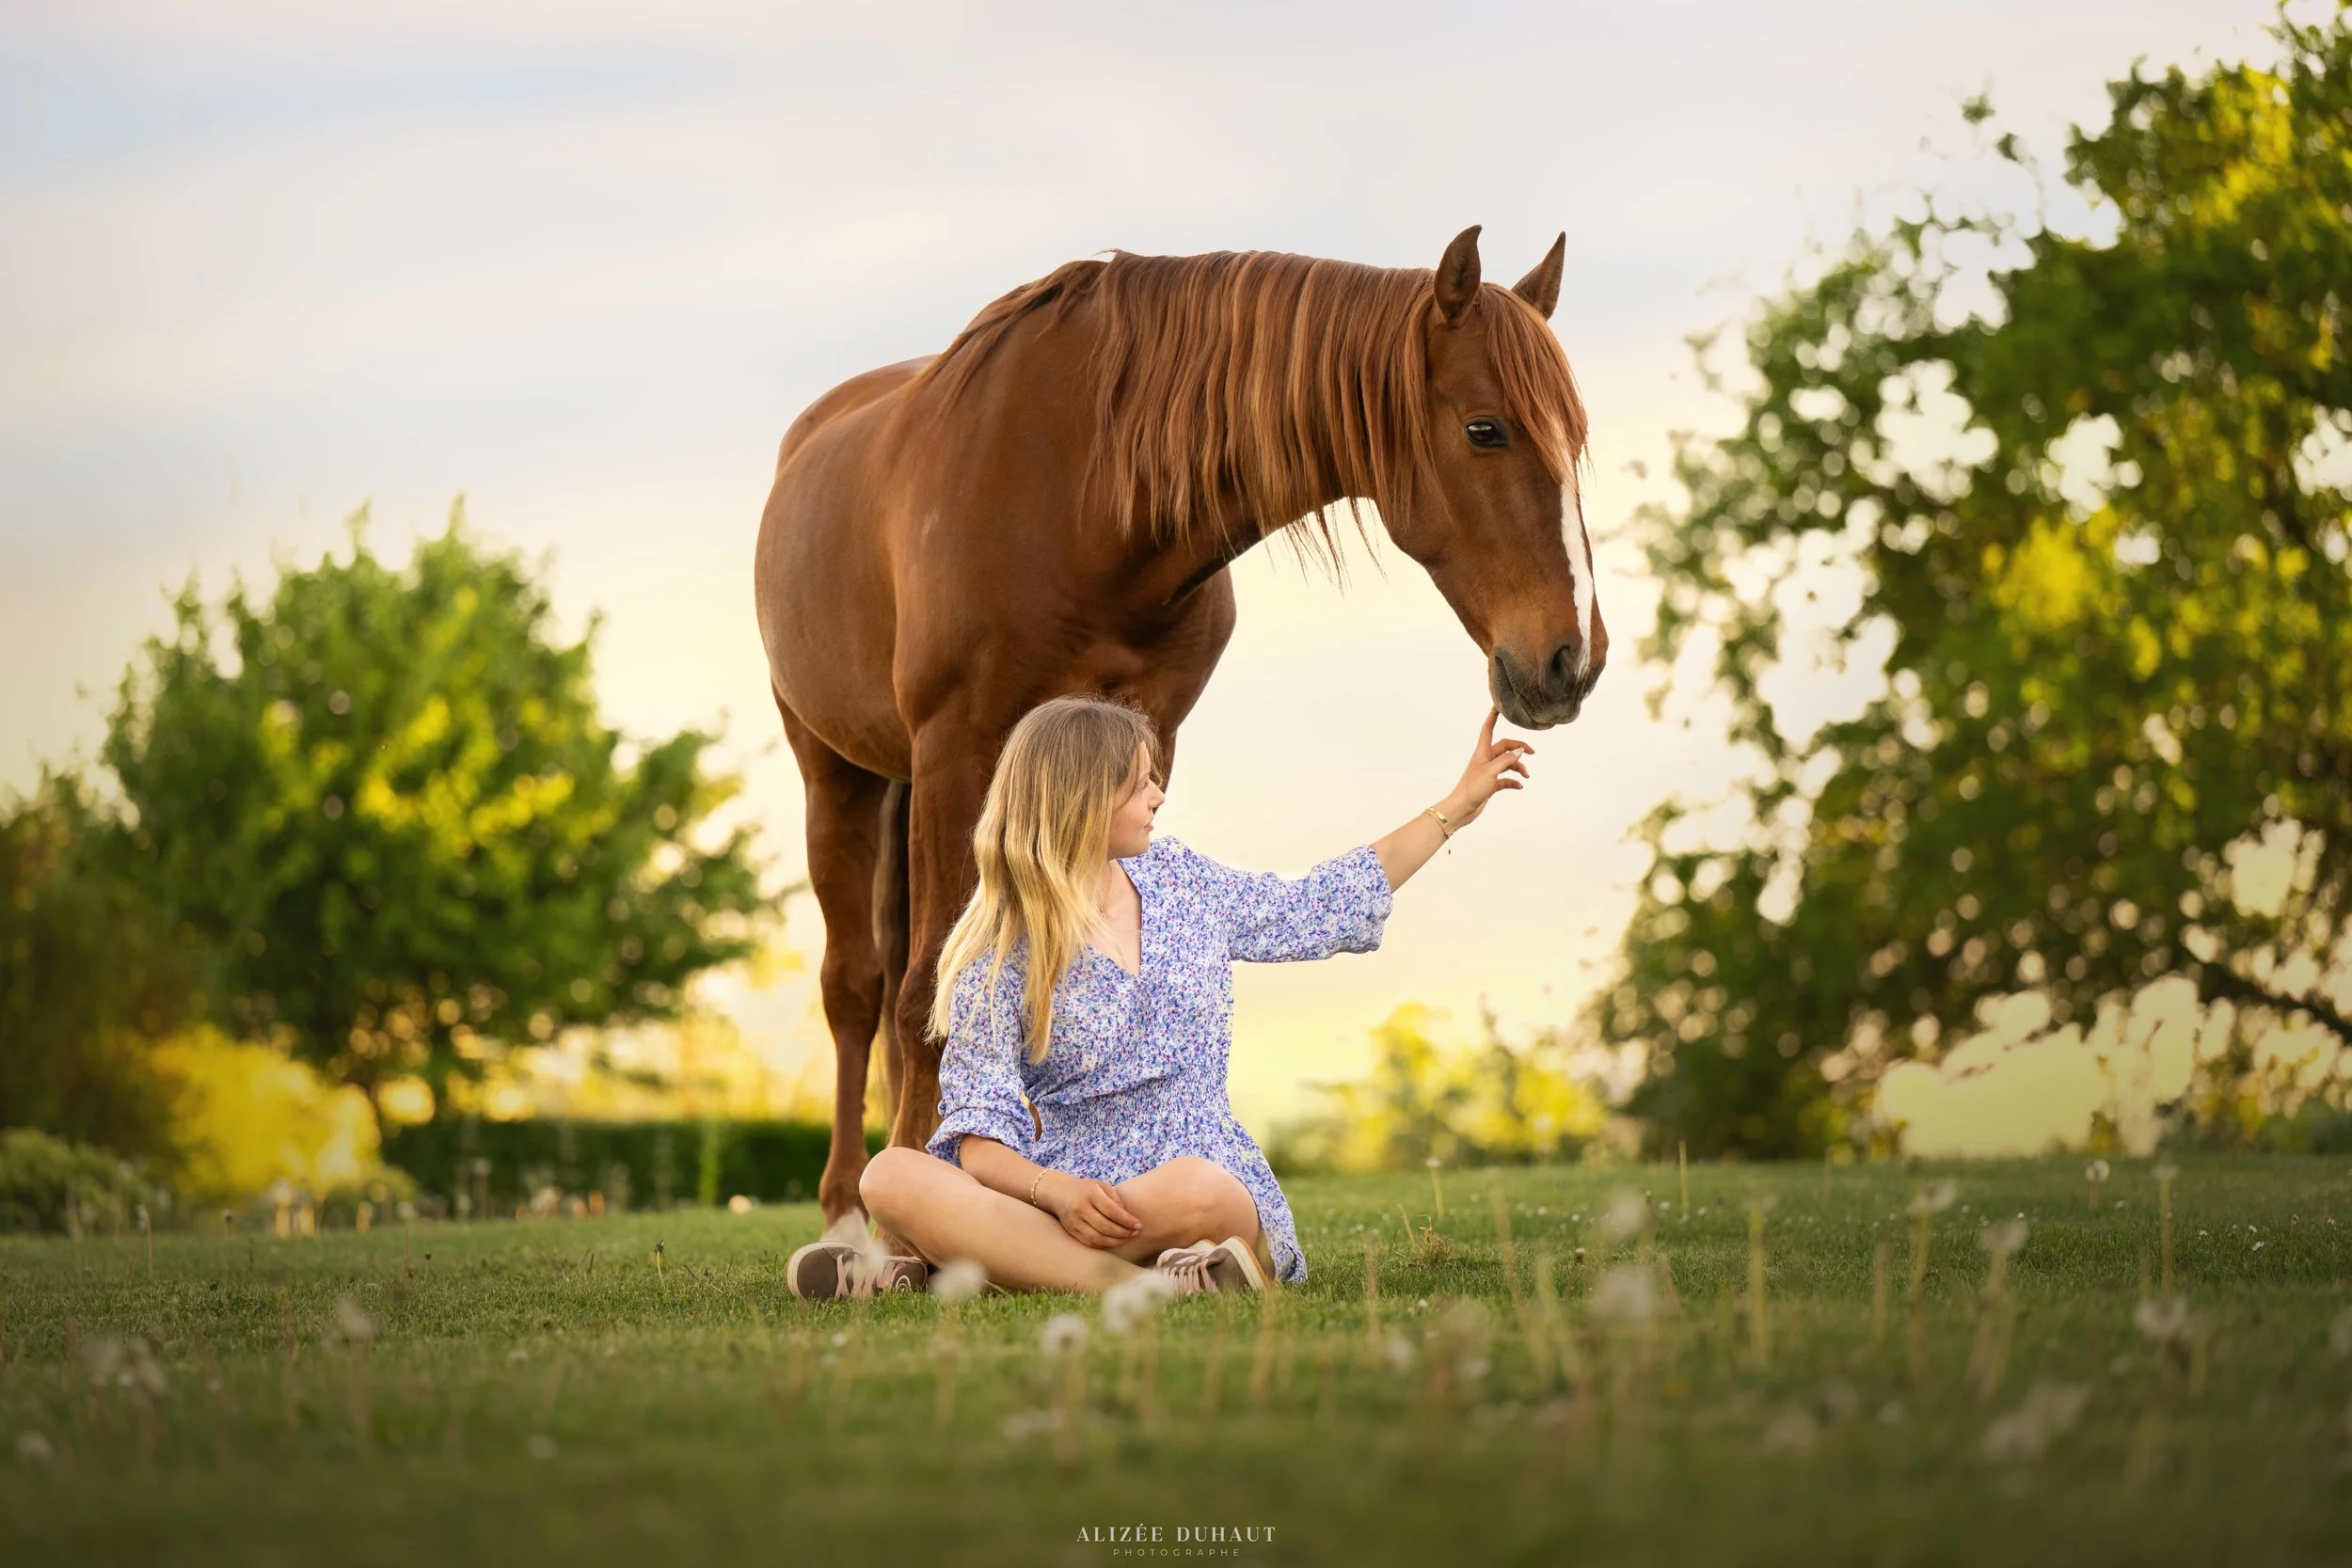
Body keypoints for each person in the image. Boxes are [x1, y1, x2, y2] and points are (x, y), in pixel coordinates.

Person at [785, 694, 1533, 1300]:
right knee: (890, 1174)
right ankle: (1155, 1283)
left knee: (1209, 1192)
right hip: (1062, 1195)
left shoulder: (1182, 880)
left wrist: (1456, 806)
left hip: (1184, 1185)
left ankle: (973, 1266)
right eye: (1141, 781)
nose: (1158, 795)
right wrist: (1058, 1192)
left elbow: (1316, 903)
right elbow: (978, 1139)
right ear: (1083, 796)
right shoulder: (997, 949)